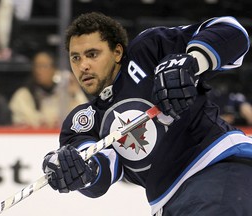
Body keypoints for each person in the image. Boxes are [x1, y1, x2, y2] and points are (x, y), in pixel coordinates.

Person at [42, 12, 252, 216]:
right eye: (75, 58)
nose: (83, 66)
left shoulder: (147, 51)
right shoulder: (85, 120)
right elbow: (100, 174)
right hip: (172, 203)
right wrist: (78, 171)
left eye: (92, 54)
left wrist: (192, 63)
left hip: (220, 169)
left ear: (117, 52)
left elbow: (233, 32)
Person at [9, 50, 88, 128]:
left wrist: (75, 94)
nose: (39, 71)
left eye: (44, 66)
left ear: (54, 70)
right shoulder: (23, 95)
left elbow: (85, 117)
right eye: (36, 66)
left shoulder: (65, 92)